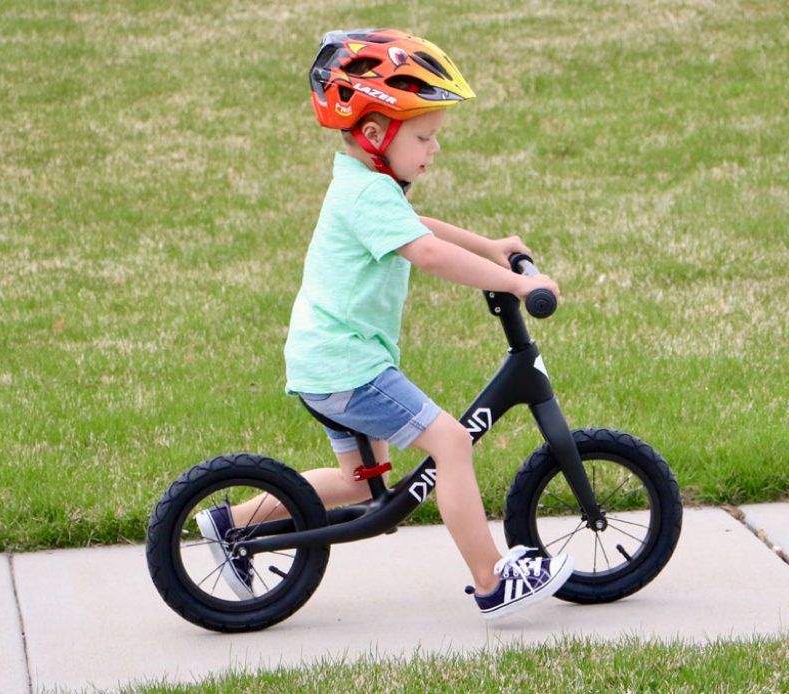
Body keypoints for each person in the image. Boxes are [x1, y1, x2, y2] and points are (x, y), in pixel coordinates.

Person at [196, 28, 573, 620]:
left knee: (357, 481)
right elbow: (427, 252)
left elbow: (416, 225)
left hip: (328, 361)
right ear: (374, 135)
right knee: (451, 442)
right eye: (423, 136)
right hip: (349, 366)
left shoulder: (366, 186)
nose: (434, 148)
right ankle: (492, 581)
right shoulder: (368, 193)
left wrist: (491, 247)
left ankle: (231, 525)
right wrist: (520, 284)